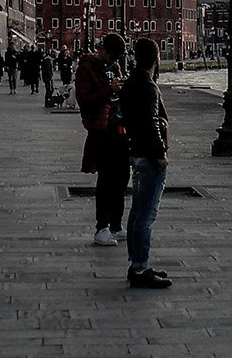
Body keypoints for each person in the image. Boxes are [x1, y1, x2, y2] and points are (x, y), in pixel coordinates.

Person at [122, 38, 170, 288]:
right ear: (156, 58)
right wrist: (161, 153)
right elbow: (152, 121)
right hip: (149, 156)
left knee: (137, 212)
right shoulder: (148, 86)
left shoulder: (130, 83)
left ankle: (137, 263)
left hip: (136, 153)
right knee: (146, 215)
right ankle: (140, 267)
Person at [76, 33, 128, 247]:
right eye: (113, 56)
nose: (116, 61)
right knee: (106, 180)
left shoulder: (115, 68)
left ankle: (116, 224)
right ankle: (102, 227)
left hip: (120, 128)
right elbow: (84, 101)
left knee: (122, 178)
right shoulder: (86, 68)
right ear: (103, 50)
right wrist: (110, 90)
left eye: (118, 58)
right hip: (102, 129)